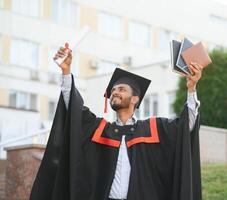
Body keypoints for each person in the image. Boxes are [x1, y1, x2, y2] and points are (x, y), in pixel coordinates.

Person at [30, 46, 203, 200]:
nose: (115, 93)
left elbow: (185, 127)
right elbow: (74, 112)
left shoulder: (152, 129)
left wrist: (191, 88)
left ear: (135, 99)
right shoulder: (101, 130)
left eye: (121, 89)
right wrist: (66, 72)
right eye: (113, 90)